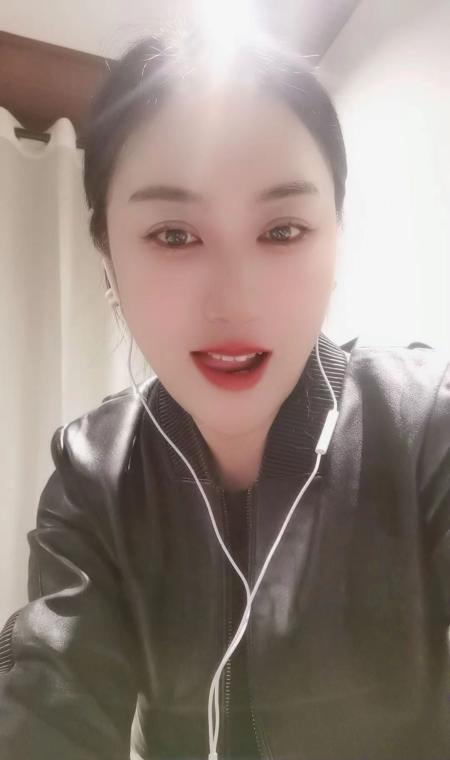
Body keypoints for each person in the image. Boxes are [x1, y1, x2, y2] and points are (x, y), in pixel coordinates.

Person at [0, 28, 449, 760]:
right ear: (107, 257)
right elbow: (46, 704)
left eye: (283, 230)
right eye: (174, 236)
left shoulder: (428, 425)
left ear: (335, 240)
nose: (234, 301)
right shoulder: (91, 474)